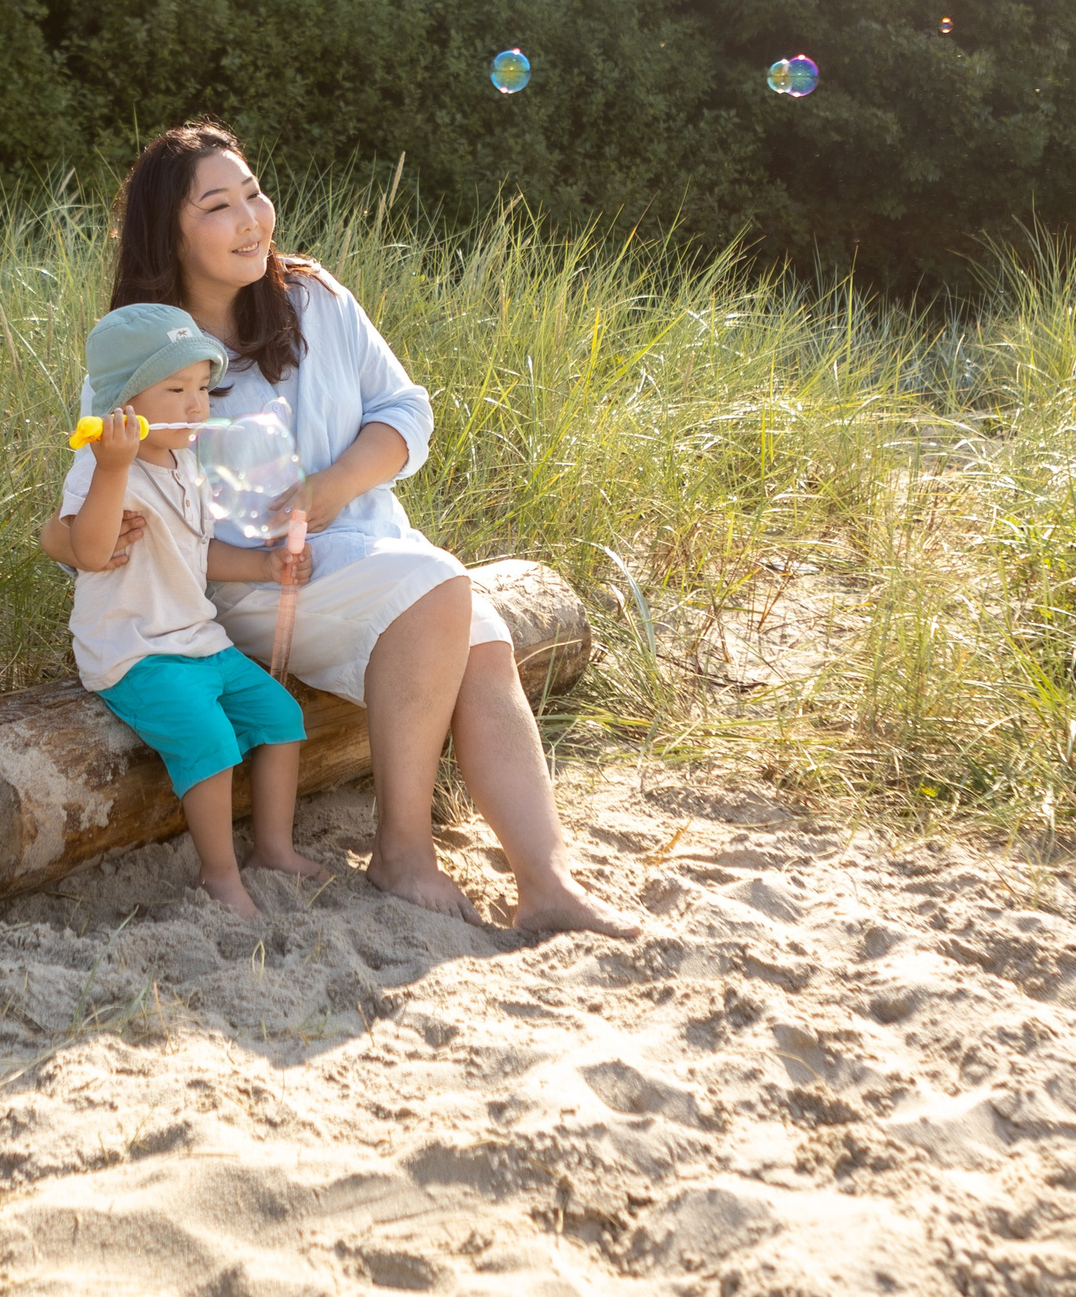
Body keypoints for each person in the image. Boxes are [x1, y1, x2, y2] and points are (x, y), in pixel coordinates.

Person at [43, 121, 637, 938]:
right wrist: (95, 539)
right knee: (437, 586)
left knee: (483, 639)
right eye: (218, 205)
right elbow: (93, 497)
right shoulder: (142, 352)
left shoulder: (313, 297)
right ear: (169, 233)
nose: (252, 217)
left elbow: (407, 410)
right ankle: (403, 852)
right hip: (243, 586)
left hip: (369, 553)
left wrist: (335, 484)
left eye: (253, 192)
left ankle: (546, 881)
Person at [59, 303, 326, 917]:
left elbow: (195, 552)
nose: (196, 404)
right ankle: (218, 875)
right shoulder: (101, 467)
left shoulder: (184, 460)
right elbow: (91, 552)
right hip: (135, 649)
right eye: (175, 389)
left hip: (197, 639)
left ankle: (274, 849)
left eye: (202, 388)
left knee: (281, 716)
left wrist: (264, 566)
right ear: (122, 404)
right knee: (209, 739)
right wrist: (114, 468)